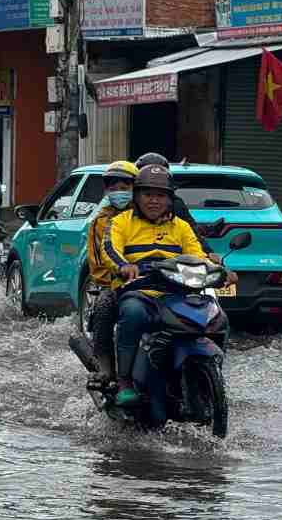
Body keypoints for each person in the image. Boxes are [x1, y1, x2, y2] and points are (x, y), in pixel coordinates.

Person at [108, 165, 207, 409]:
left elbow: (197, 254)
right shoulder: (120, 222)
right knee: (132, 314)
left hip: (178, 294)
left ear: (170, 199)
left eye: (160, 195)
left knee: (217, 318)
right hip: (138, 292)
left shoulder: (181, 227)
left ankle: (206, 378)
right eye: (148, 194)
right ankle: (125, 381)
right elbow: (109, 249)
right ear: (137, 196)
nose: (154, 201)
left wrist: (220, 271)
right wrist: (123, 266)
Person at [84, 160, 139, 380]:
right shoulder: (102, 221)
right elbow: (100, 262)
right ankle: (106, 367)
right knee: (104, 308)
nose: (119, 193)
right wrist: (121, 273)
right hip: (117, 282)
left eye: (124, 189)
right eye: (113, 189)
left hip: (156, 280)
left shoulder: (154, 215)